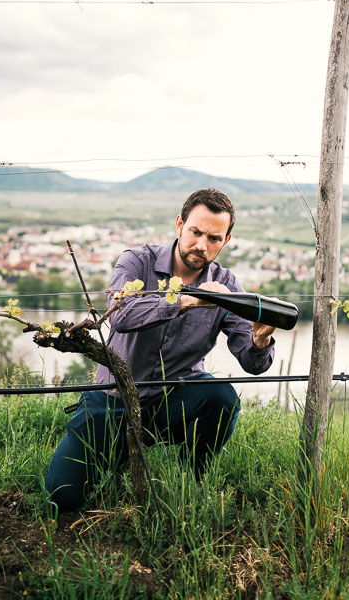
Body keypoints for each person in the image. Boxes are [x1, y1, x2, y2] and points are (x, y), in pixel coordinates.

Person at [45, 187, 276, 512]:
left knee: (222, 397)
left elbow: (252, 362)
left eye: (214, 238)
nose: (202, 245)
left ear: (225, 241)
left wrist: (261, 339)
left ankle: (191, 477)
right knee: (63, 496)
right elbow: (121, 314)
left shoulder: (226, 285)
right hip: (112, 401)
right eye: (196, 232)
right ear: (180, 224)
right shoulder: (137, 262)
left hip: (173, 403)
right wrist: (188, 300)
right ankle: (113, 454)